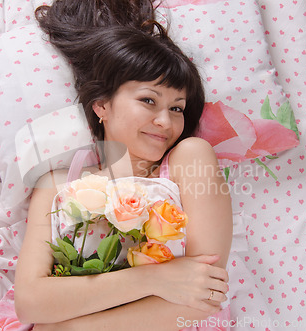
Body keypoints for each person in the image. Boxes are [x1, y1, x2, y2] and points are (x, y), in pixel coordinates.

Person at [14, 1, 233, 329]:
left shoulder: (190, 159)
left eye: (177, 108)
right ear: (102, 104)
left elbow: (206, 295)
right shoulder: (56, 185)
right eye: (148, 100)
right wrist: (156, 279)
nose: (165, 121)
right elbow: (30, 304)